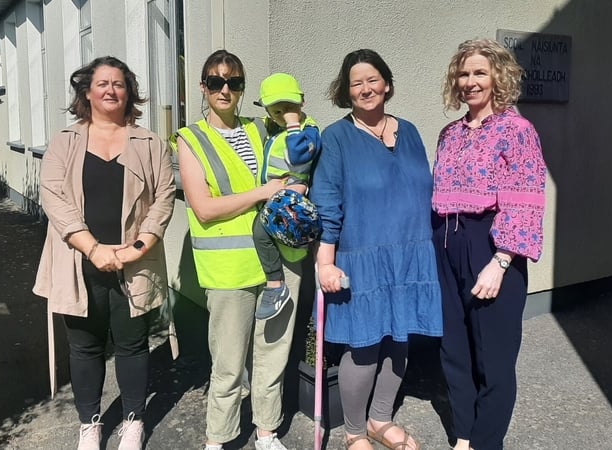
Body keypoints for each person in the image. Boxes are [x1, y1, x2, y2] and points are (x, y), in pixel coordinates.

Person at [33, 56, 175, 450]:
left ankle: (133, 420)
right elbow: (54, 199)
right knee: (84, 347)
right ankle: (90, 423)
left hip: (135, 263)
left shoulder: (150, 142)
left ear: (129, 92)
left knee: (132, 344)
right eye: (103, 84)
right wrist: (93, 248)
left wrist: (138, 247)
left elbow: (163, 200)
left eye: (119, 84)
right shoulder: (65, 141)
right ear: (88, 92)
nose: (111, 90)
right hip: (78, 261)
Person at [310, 49, 442, 450]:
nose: (365, 89)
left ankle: (380, 420)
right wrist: (325, 260)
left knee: (400, 340)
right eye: (356, 83)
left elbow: (426, 190)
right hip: (361, 255)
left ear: (386, 84)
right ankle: (353, 432)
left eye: (372, 80)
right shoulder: (336, 138)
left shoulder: (412, 131)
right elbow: (327, 201)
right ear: (346, 92)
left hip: (410, 252)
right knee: (364, 346)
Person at [173, 49, 301, 450]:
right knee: (228, 365)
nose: (225, 89)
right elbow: (205, 208)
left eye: (234, 82)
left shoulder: (261, 128)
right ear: (203, 87)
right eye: (216, 81)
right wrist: (264, 192)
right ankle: (220, 437)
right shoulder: (190, 138)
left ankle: (266, 431)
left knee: (272, 355)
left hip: (278, 260)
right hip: (228, 269)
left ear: (244, 88)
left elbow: (297, 150)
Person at [432, 39, 547, 450]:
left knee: (494, 359)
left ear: (499, 76)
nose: (470, 82)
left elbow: (527, 199)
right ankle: (464, 434)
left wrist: (500, 261)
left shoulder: (517, 131)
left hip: (492, 246)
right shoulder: (450, 134)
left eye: (479, 72)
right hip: (446, 242)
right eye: (463, 74)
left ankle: (485, 442)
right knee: (455, 350)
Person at [251, 72, 321, 321]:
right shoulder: (273, 127)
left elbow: (300, 155)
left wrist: (293, 124)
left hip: (291, 194)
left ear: (302, 101)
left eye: (289, 108)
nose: (284, 115)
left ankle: (275, 285)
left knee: (260, 231)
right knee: (268, 234)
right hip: (275, 195)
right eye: (277, 111)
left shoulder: (307, 130)